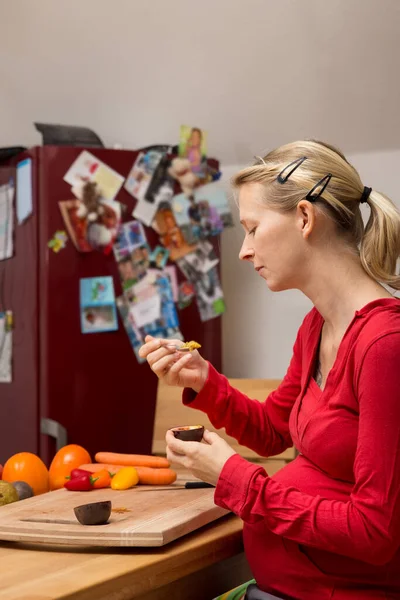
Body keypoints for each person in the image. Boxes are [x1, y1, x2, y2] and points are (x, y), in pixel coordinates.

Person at [138, 140, 400, 599]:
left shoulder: (385, 347)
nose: (244, 250)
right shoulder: (318, 326)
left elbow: (374, 533)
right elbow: (274, 430)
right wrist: (204, 380)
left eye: (253, 228)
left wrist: (235, 478)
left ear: (304, 218)